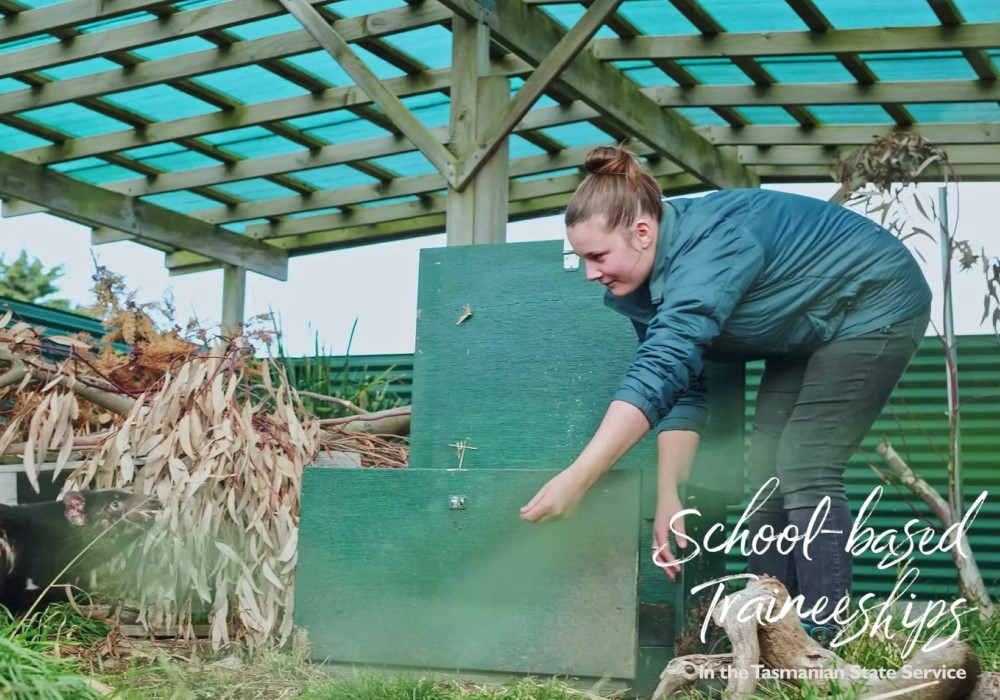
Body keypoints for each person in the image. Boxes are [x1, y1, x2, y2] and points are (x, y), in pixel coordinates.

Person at [519, 145, 932, 642]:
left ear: (643, 233)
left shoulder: (713, 246)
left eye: (597, 256)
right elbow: (683, 387)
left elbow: (660, 369)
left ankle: (823, 636)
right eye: (582, 258)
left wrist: (580, 477)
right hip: (802, 327)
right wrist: (670, 494)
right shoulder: (643, 288)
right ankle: (765, 628)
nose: (590, 273)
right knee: (765, 472)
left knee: (803, 461)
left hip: (872, 301)